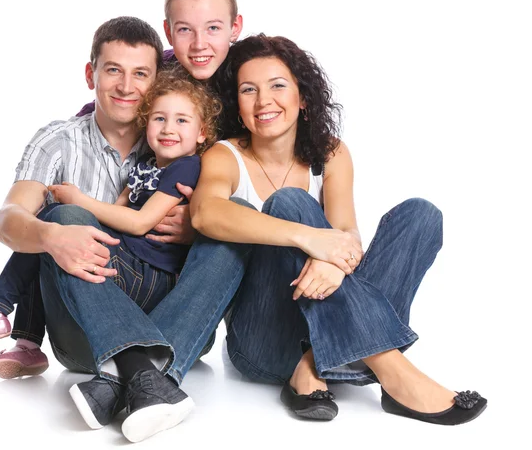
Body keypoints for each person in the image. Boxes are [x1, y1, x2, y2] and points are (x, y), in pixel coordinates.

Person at [188, 33, 487, 426]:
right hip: (262, 344)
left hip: (327, 329)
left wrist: (332, 260)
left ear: (303, 98)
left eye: (278, 86)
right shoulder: (225, 155)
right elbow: (205, 214)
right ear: (237, 104)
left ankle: (312, 366)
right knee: (290, 204)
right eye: (249, 90)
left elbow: (347, 235)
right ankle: (390, 369)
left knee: (421, 215)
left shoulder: (330, 153)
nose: (264, 101)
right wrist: (310, 239)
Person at [0, 0, 243, 376]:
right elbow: (6, 221)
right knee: (64, 217)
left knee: (229, 227)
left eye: (141, 74)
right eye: (113, 70)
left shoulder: (174, 142)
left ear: (158, 81)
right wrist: (51, 236)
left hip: (169, 312)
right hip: (83, 333)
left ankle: (134, 370)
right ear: (91, 75)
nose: (127, 87)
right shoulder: (59, 140)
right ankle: (138, 368)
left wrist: (199, 222)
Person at [77, 0, 243, 117]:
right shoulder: (158, 68)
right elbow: (98, 108)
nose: (199, 45)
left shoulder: (248, 68)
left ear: (235, 28)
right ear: (168, 32)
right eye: (184, 29)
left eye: (213, 28)